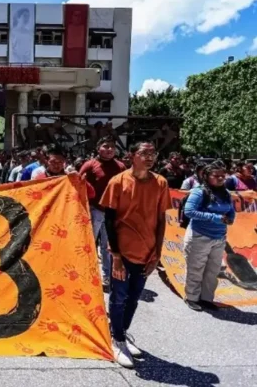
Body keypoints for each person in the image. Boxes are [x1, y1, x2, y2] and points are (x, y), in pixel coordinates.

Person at [99, 141, 172, 369]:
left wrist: (157, 253)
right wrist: (116, 256)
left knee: (134, 297)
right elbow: (109, 221)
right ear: (132, 156)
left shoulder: (161, 183)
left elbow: (161, 220)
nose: (150, 157)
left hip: (147, 252)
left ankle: (122, 332)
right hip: (122, 252)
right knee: (119, 297)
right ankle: (117, 339)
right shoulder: (117, 182)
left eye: (153, 153)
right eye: (144, 153)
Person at [182, 162, 235, 312]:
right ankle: (192, 298)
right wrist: (215, 217)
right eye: (216, 176)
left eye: (223, 176)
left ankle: (206, 298)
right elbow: (189, 211)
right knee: (196, 269)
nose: (220, 178)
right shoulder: (199, 192)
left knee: (213, 271)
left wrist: (231, 218)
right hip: (199, 236)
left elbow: (230, 210)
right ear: (206, 176)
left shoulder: (226, 193)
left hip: (219, 238)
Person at [79, 137, 126, 286]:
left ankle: (107, 276)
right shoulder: (89, 165)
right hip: (94, 210)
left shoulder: (121, 166)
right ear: (98, 148)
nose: (109, 149)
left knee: (108, 246)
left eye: (112, 147)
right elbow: (78, 184)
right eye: (106, 146)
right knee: (88, 244)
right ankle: (85, 274)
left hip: (112, 212)